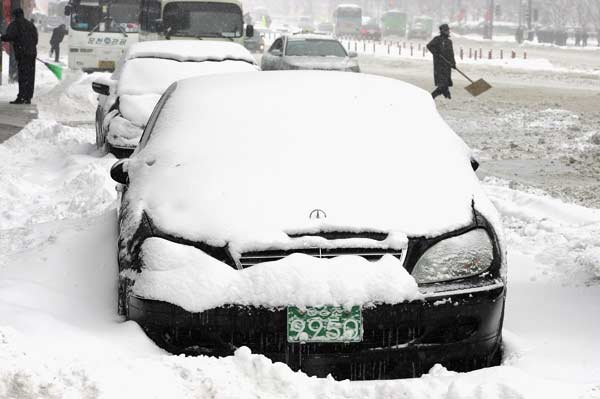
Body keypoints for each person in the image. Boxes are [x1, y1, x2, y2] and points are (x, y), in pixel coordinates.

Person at [1, 8, 38, 104]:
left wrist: (2, 37)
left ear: (14, 15)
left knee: (22, 76)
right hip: (32, 53)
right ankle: (28, 97)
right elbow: (36, 39)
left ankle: (21, 97)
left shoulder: (15, 24)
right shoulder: (30, 24)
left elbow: (10, 36)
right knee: (30, 76)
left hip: (22, 54)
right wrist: (30, 47)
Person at [426, 23, 456, 100]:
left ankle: (446, 93)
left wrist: (453, 63)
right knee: (442, 84)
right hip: (439, 65)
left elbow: (451, 53)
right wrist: (436, 53)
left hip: (447, 65)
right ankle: (430, 97)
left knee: (445, 82)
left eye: (449, 30)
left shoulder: (449, 42)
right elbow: (429, 46)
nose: (449, 31)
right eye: (447, 30)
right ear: (443, 31)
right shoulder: (437, 39)